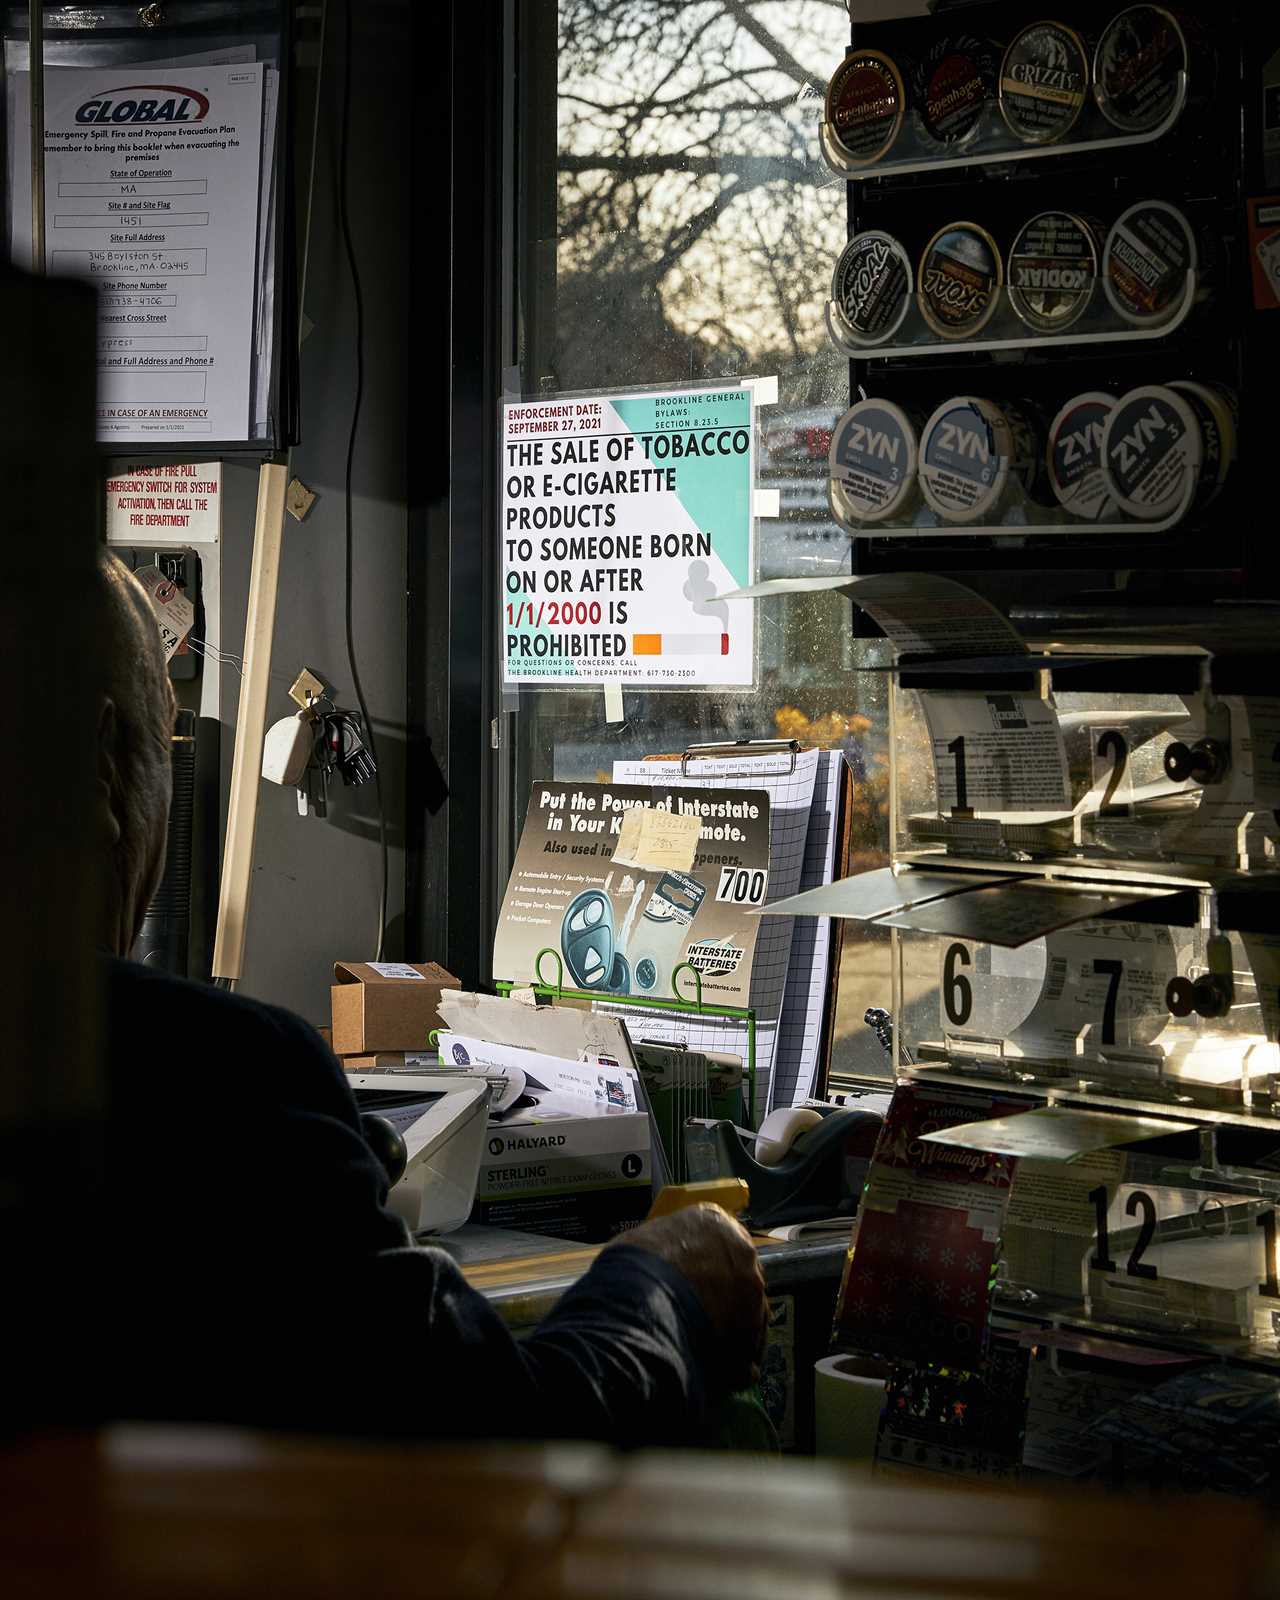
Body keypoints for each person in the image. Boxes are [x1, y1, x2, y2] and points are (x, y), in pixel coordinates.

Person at [94, 552, 767, 1443]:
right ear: (102, 768)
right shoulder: (230, 1081)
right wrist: (664, 1285)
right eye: (164, 743)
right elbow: (497, 1446)